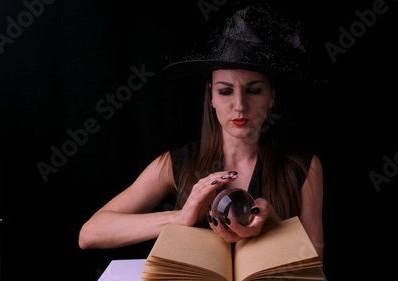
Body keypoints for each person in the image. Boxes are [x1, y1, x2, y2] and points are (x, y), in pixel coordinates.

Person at [78, 4, 325, 261]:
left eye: (254, 90)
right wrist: (180, 217)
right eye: (225, 91)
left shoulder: (304, 167)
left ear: (271, 97)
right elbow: (90, 233)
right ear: (211, 97)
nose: (239, 105)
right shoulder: (175, 163)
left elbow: (314, 263)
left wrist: (275, 227)